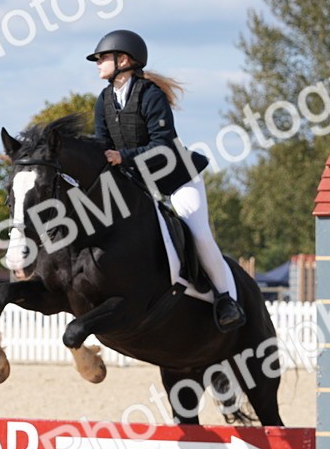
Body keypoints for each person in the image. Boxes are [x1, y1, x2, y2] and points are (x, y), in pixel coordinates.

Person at [87, 29, 245, 332]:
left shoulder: (150, 95)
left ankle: (226, 299)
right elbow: (101, 146)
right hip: (140, 183)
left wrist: (124, 157)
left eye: (103, 57)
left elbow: (165, 145)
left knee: (198, 234)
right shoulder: (104, 99)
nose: (98, 62)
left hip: (175, 177)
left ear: (125, 60)